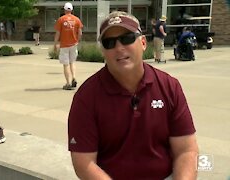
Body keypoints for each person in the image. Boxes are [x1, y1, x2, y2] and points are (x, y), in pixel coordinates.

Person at [68, 11, 198, 180]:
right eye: (109, 43)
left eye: (127, 38)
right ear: (103, 52)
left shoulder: (169, 86)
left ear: (143, 42)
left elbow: (187, 150)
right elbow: (84, 163)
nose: (119, 48)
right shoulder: (86, 97)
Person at [54, 2, 83, 90]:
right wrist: (77, 40)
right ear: (72, 10)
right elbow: (80, 33)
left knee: (66, 64)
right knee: (72, 62)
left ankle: (68, 83)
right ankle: (74, 77)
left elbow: (58, 33)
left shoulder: (61, 19)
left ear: (64, 9)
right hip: (73, 44)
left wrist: (55, 44)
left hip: (64, 45)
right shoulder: (77, 20)